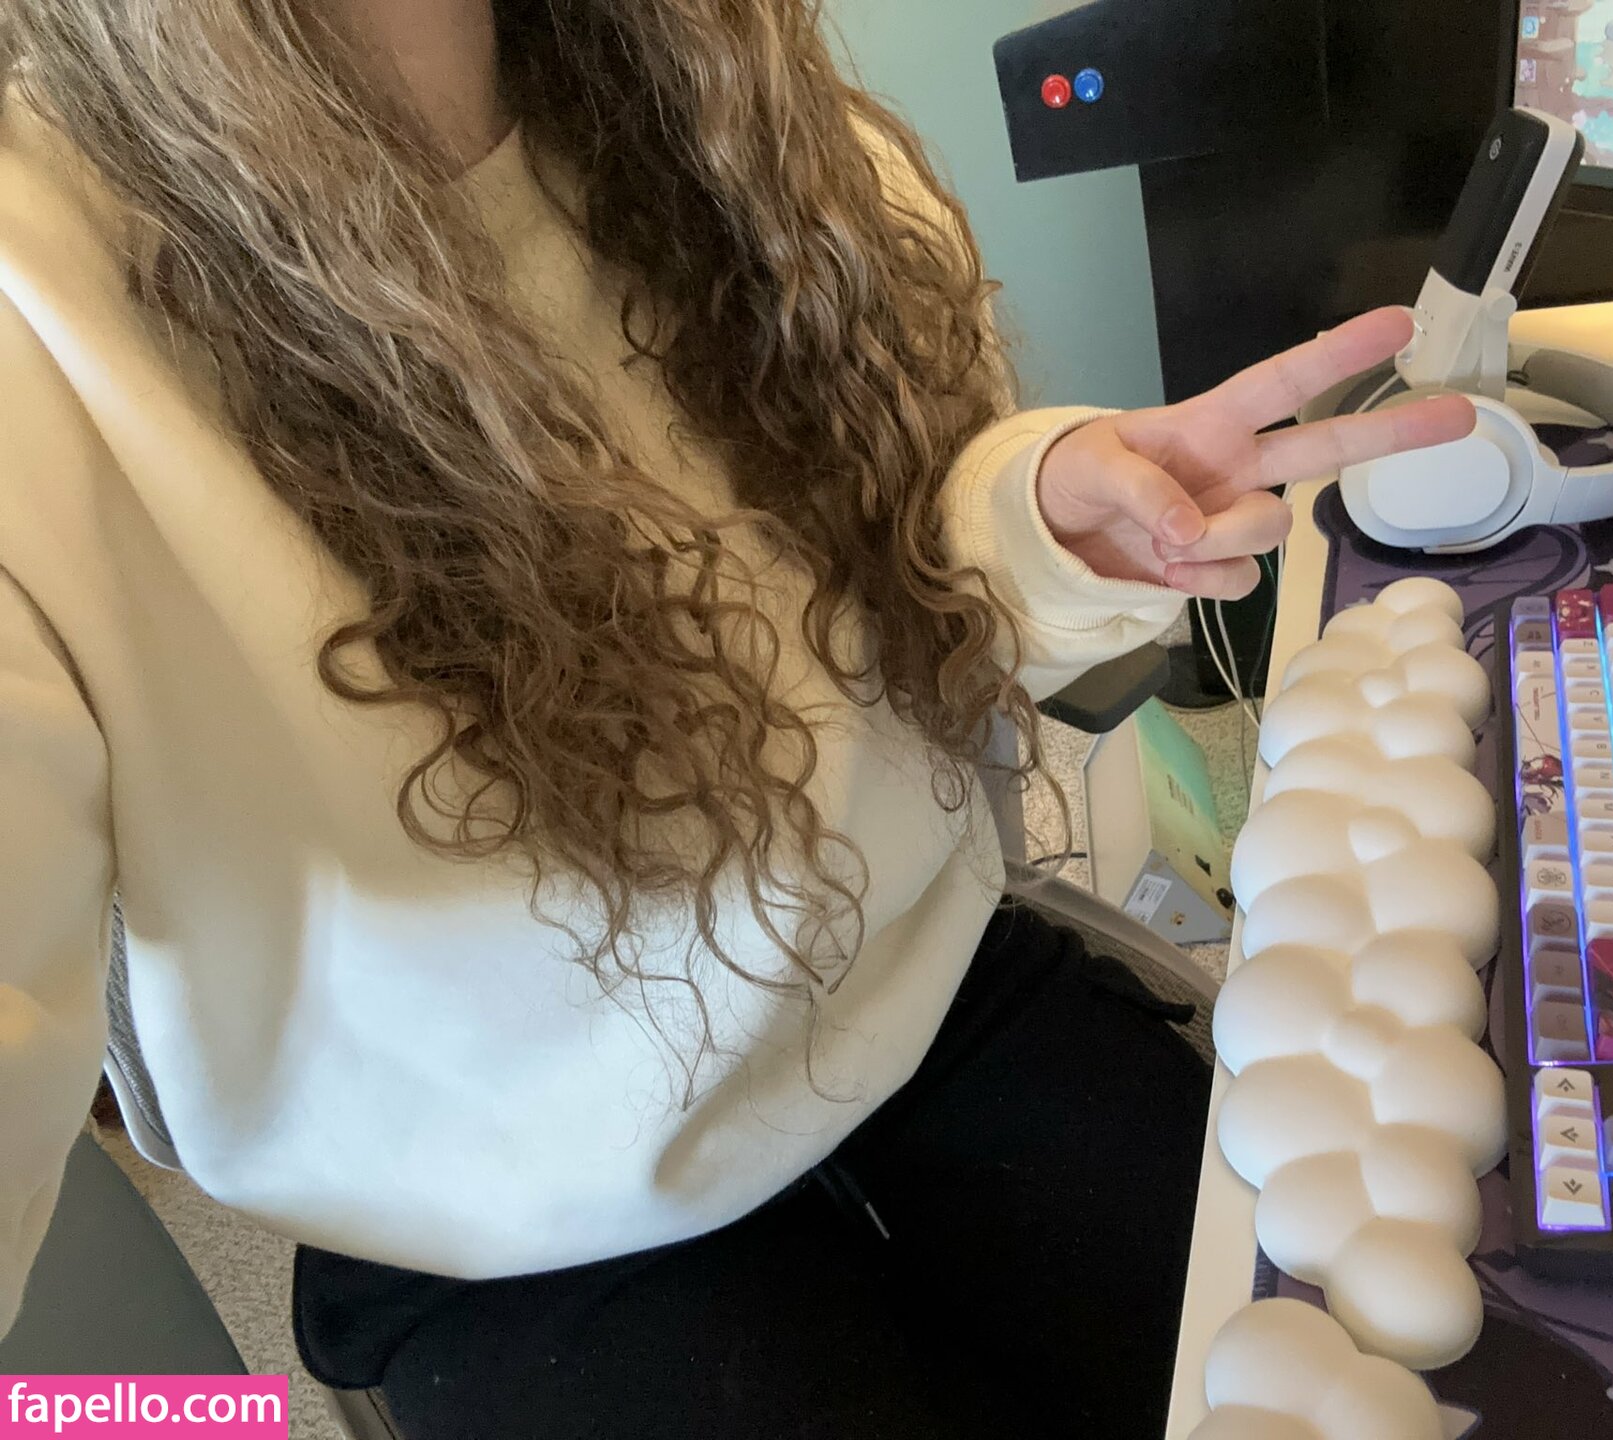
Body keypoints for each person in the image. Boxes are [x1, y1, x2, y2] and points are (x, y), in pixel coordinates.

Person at [0, 2, 1471, 1435]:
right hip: (512, 1235)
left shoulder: (739, 100)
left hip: (924, 1003)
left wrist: (1035, 526)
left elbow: (908, 549)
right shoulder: (38, 310)